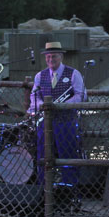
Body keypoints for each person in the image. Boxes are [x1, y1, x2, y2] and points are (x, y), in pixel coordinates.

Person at [29, 41, 86, 189]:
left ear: (61, 56)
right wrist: (42, 105)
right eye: (48, 57)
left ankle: (70, 192)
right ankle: (43, 190)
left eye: (53, 56)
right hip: (44, 123)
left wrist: (61, 106)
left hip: (66, 121)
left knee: (68, 156)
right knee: (43, 156)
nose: (50, 60)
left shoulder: (73, 73)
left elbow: (80, 96)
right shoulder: (40, 76)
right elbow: (33, 97)